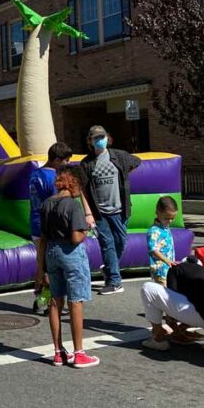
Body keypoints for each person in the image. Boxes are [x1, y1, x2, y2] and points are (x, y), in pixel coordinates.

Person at [36, 166, 100, 368]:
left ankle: (57, 351)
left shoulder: (47, 204)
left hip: (51, 253)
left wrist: (40, 269)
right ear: (74, 183)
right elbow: (75, 237)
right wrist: (87, 230)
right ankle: (79, 353)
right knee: (76, 301)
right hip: (71, 254)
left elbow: (43, 239)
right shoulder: (72, 206)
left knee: (55, 301)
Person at [29, 142, 94, 313]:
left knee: (42, 262)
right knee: (53, 266)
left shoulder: (35, 174)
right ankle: (49, 301)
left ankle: (43, 299)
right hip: (50, 226)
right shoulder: (53, 179)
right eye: (65, 161)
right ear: (57, 160)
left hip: (36, 223)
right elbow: (59, 203)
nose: (67, 164)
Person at [77, 125, 141, 295]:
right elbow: (82, 189)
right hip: (99, 213)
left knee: (121, 242)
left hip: (120, 209)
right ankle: (114, 281)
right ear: (90, 141)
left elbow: (137, 162)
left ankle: (109, 268)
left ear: (108, 137)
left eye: (102, 137)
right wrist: (88, 213)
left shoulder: (119, 156)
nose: (99, 140)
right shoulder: (86, 163)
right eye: (95, 138)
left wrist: (125, 178)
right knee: (107, 245)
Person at [140, 259, 204, 352]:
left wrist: (174, 327)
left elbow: (171, 298)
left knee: (147, 288)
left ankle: (158, 337)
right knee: (203, 303)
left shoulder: (176, 269)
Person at [147, 196, 178, 285]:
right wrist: (166, 260)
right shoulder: (154, 230)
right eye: (167, 218)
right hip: (160, 270)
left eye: (172, 218)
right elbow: (153, 249)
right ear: (157, 212)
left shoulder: (165, 228)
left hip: (168, 268)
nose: (170, 221)